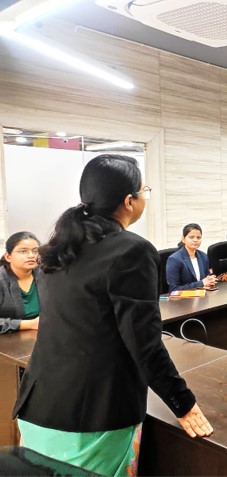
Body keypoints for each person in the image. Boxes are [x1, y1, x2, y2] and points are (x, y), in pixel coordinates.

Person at [13, 154, 212, 476]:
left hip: (40, 404)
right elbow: (144, 342)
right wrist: (183, 403)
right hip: (92, 416)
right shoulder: (131, 249)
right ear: (129, 201)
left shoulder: (59, 248)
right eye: (144, 191)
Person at [0, 232, 42, 334]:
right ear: (8, 256)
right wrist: (28, 324)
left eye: (35, 251)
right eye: (23, 251)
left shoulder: (46, 276)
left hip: (42, 335)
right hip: (7, 339)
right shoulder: (1, 280)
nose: (31, 255)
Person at [166, 223, 217, 292]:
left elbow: (206, 279)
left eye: (198, 237)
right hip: (184, 298)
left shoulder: (204, 256)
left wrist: (210, 281)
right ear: (183, 239)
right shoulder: (174, 259)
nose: (195, 240)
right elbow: (174, 289)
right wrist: (201, 283)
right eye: (191, 237)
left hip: (203, 295)